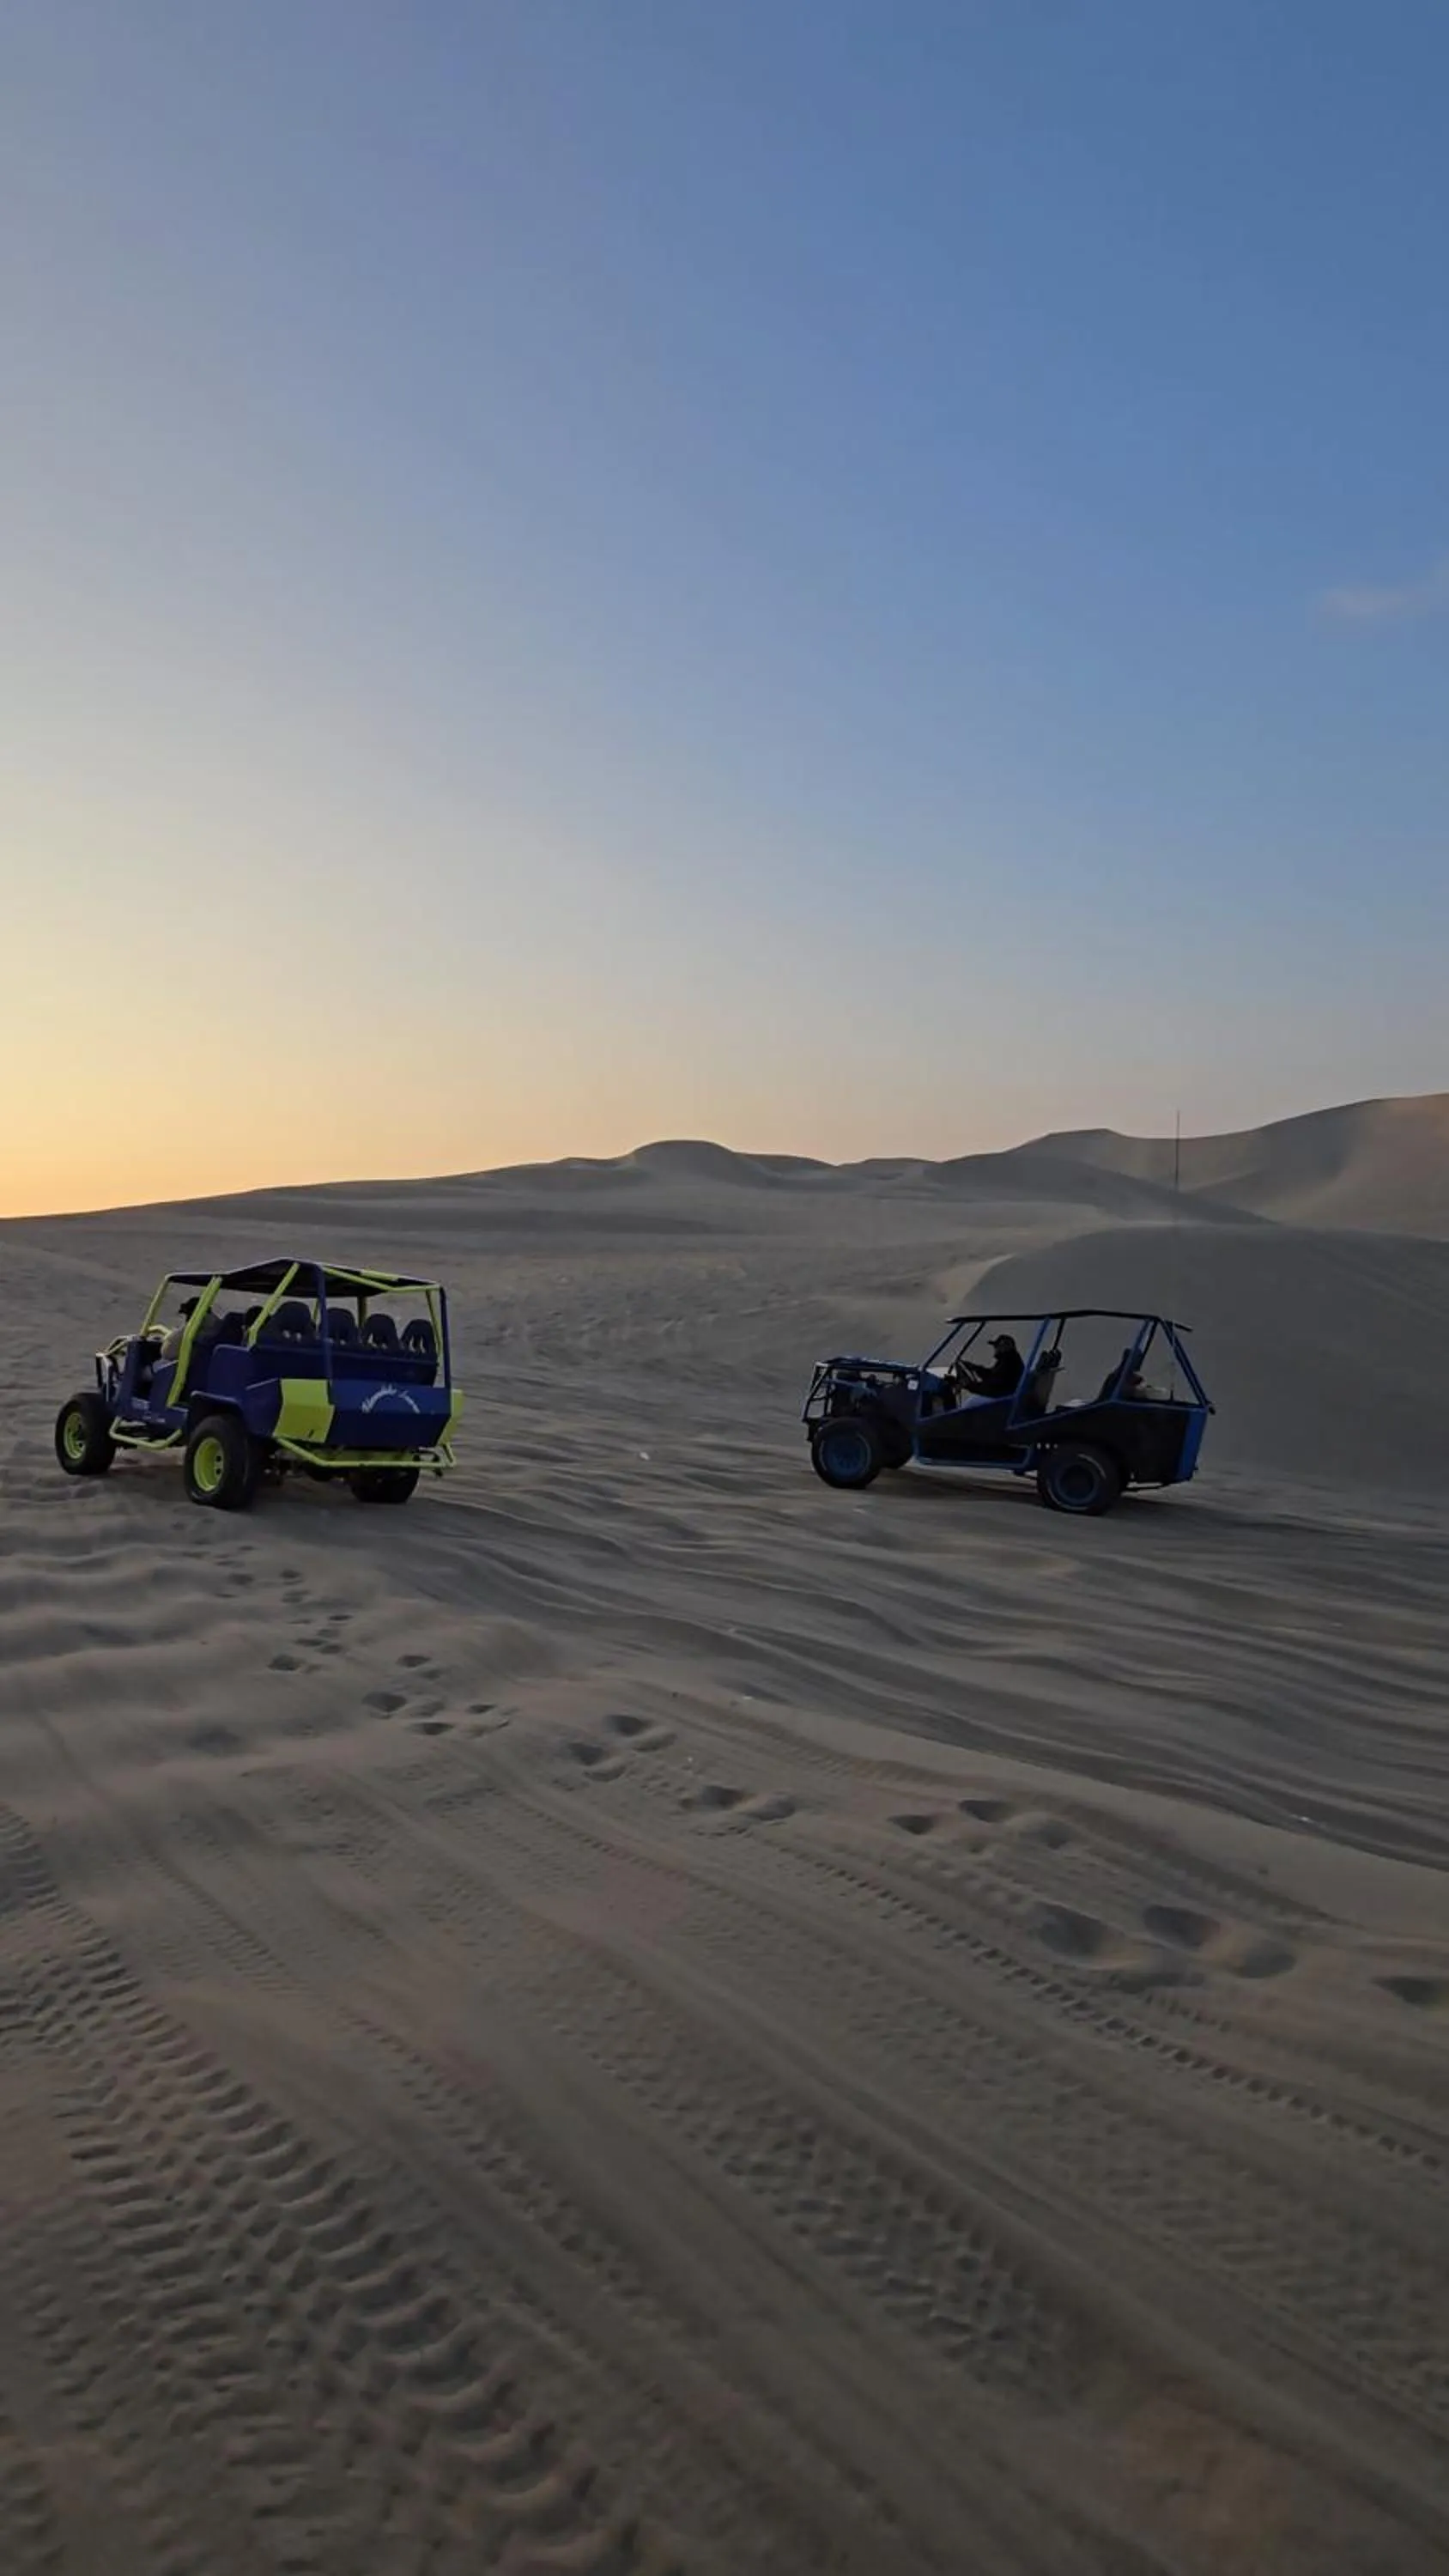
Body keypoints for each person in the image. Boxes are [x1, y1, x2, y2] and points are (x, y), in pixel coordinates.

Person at [952, 1332, 1024, 1400]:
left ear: (1005, 1346)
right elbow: (991, 1375)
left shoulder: (1010, 1362)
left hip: (1004, 1401)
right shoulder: (1007, 1360)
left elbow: (994, 1387)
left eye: (997, 1346)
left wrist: (969, 1385)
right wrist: (973, 1367)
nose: (995, 1348)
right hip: (1003, 1399)